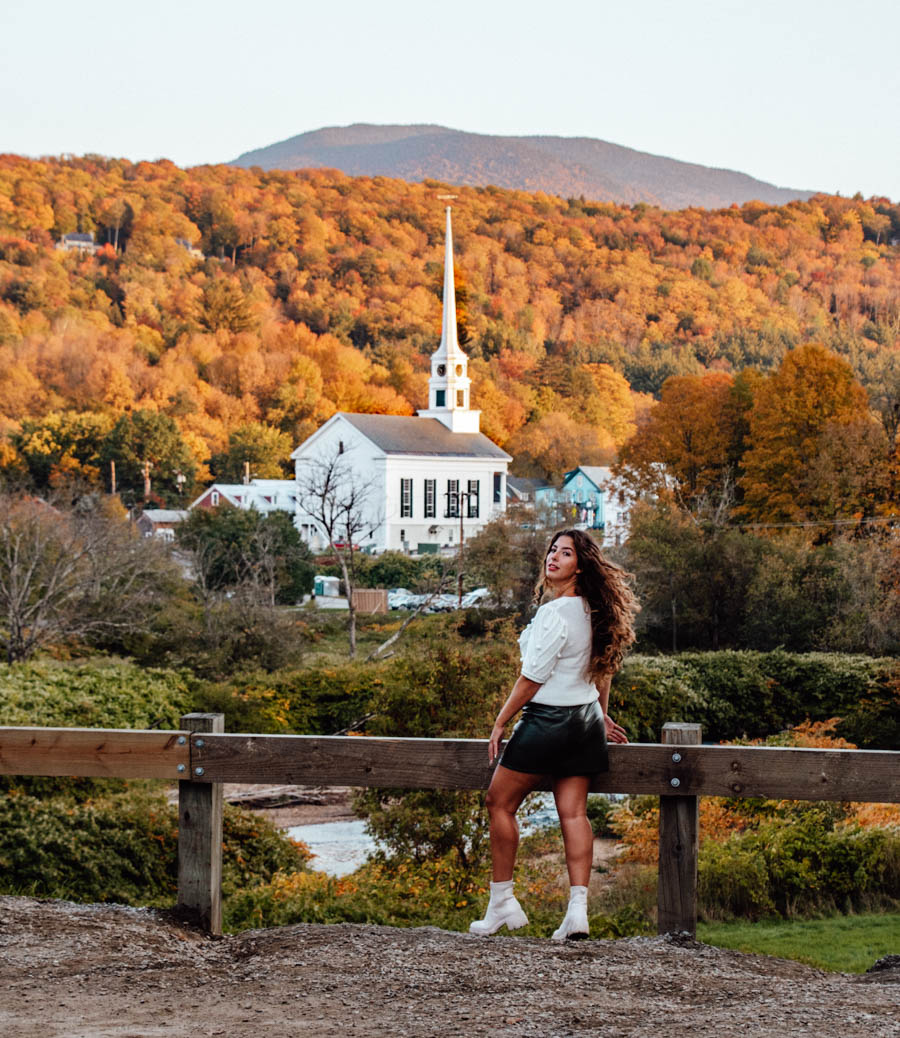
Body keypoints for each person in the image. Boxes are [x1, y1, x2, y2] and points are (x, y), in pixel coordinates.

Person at [469, 529, 638, 940]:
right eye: (552, 550)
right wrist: (600, 714)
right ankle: (577, 912)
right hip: (583, 724)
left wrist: (501, 720)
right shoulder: (595, 612)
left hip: (547, 722)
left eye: (565, 553)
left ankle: (502, 901)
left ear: (579, 566)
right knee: (574, 813)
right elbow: (604, 671)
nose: (554, 557)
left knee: (499, 801)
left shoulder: (555, 613)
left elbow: (532, 677)